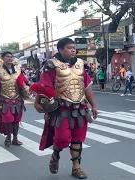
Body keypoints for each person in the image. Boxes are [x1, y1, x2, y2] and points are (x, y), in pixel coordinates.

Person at [31, 38, 98, 179]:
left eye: (74, 47)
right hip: (61, 110)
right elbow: (44, 86)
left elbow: (87, 87)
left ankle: (76, 168)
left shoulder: (80, 64)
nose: (73, 50)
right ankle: (55, 154)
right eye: (69, 47)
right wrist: (37, 102)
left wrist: (94, 105)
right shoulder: (51, 65)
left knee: (78, 139)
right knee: (62, 139)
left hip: (80, 108)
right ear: (61, 50)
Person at [0, 51, 32, 147]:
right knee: (8, 120)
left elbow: (26, 81)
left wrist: (35, 88)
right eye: (7, 56)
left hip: (17, 99)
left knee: (16, 120)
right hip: (4, 100)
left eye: (11, 56)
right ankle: (8, 137)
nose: (10, 58)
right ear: (3, 58)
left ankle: (15, 138)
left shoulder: (18, 70)